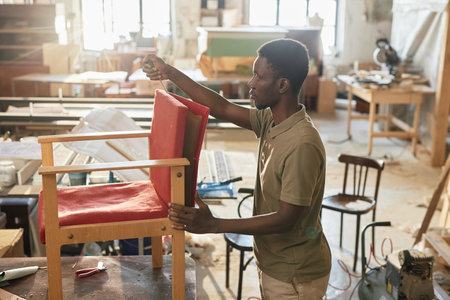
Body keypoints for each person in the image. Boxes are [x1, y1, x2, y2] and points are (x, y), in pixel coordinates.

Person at [143, 38, 331, 300]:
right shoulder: (272, 120)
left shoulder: (302, 143)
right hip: (274, 262)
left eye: (258, 76)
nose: (250, 84)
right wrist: (169, 72)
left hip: (295, 274)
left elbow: (287, 218)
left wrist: (215, 224)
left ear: (282, 85)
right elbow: (221, 107)